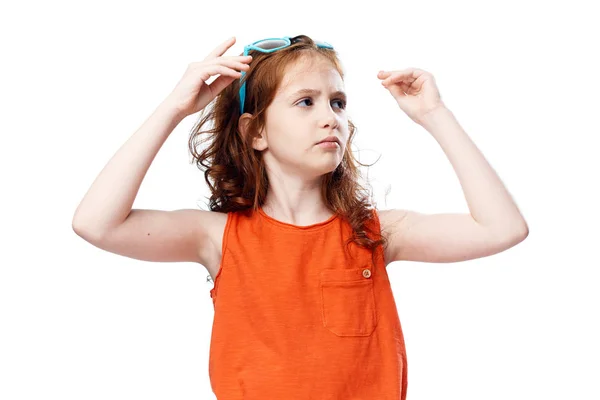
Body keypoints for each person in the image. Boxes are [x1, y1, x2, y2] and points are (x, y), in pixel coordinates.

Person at [72, 34, 529, 400]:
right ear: (255, 132)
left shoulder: (376, 233)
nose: (330, 117)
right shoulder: (218, 238)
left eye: (338, 102)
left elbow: (502, 228)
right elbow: (96, 223)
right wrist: (175, 107)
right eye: (305, 101)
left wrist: (434, 113)